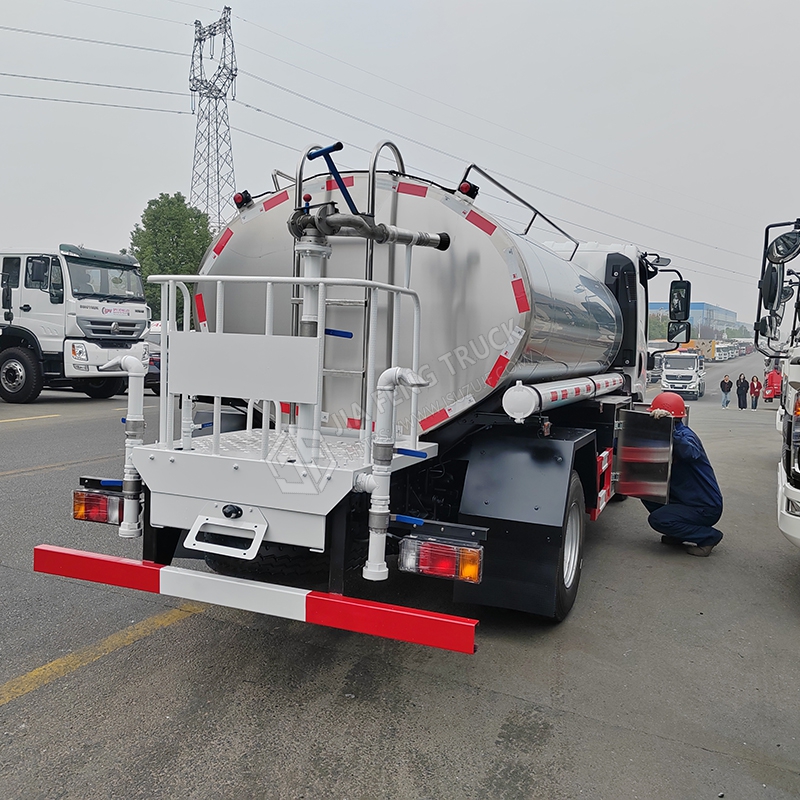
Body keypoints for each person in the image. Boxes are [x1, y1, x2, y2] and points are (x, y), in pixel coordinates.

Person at [643, 392, 724, 557]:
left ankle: (708, 537)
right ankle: (678, 533)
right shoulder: (665, 435)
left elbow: (689, 452)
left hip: (704, 507)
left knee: (658, 519)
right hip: (685, 500)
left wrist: (669, 427)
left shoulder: (685, 435)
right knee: (647, 493)